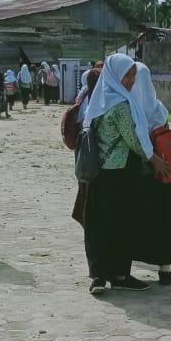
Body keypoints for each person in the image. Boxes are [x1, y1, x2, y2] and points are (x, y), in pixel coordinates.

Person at [82, 54, 171, 294]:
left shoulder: (99, 100)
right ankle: (120, 275)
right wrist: (155, 160)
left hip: (98, 173)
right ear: (115, 75)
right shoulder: (121, 105)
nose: (132, 80)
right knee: (121, 225)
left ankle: (98, 275)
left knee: (98, 225)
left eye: (134, 74)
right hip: (120, 173)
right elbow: (135, 141)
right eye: (127, 75)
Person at [131, 63, 171, 284]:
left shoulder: (127, 107)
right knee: (165, 220)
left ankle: (126, 266)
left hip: (137, 172)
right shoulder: (158, 108)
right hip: (162, 173)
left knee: (136, 218)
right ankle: (165, 269)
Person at [70, 66, 104, 226]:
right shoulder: (101, 99)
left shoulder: (82, 97)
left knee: (84, 183)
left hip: (82, 146)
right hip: (93, 148)